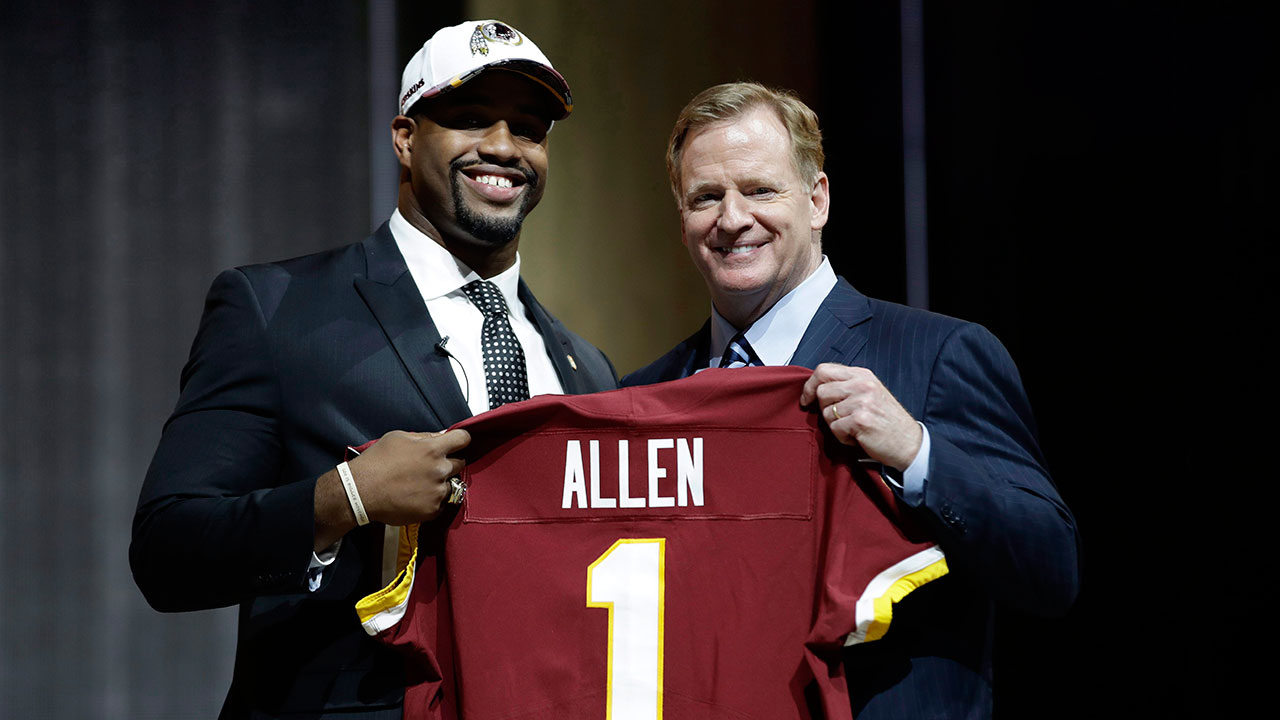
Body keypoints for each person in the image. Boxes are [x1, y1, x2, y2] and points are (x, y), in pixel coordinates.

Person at [130, 19, 616, 719]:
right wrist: (344, 498)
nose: (505, 147)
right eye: (471, 119)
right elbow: (168, 553)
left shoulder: (587, 370)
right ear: (405, 137)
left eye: (530, 129)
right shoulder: (276, 311)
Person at [623, 82, 1080, 718]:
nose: (731, 219)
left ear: (817, 200)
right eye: (706, 197)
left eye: (759, 190)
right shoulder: (644, 397)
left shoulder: (942, 354)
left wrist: (917, 454)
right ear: (682, 223)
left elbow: (1051, 569)